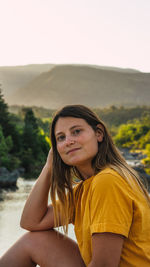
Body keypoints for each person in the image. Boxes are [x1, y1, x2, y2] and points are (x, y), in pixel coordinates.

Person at [0, 104, 150, 267]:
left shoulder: (108, 181)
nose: (68, 141)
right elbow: (31, 222)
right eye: (61, 138)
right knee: (33, 241)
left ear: (98, 133)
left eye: (76, 131)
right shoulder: (83, 190)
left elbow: (105, 265)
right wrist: (49, 167)